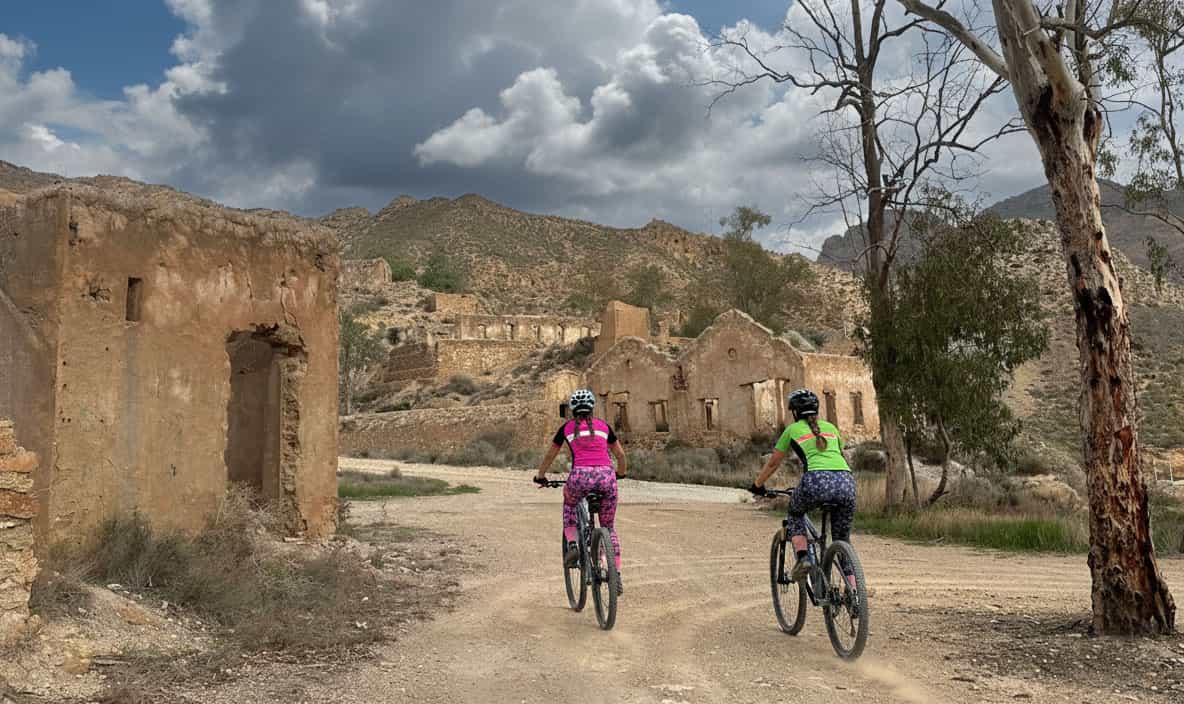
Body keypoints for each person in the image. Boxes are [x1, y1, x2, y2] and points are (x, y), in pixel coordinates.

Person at [749, 388, 856, 583]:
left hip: (816, 481)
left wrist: (757, 485)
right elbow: (840, 455)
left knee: (795, 513)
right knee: (842, 540)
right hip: (846, 482)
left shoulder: (792, 430)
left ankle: (803, 558)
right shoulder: (831, 428)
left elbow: (773, 463)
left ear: (795, 412)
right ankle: (855, 593)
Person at [534, 389, 628, 594]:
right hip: (607, 478)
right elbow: (621, 456)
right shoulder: (604, 427)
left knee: (569, 503)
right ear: (592, 408)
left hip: (580, 477)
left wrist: (540, 475)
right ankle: (615, 573)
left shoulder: (566, 428)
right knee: (609, 527)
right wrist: (620, 474)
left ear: (572, 410)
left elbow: (550, 455)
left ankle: (573, 545)